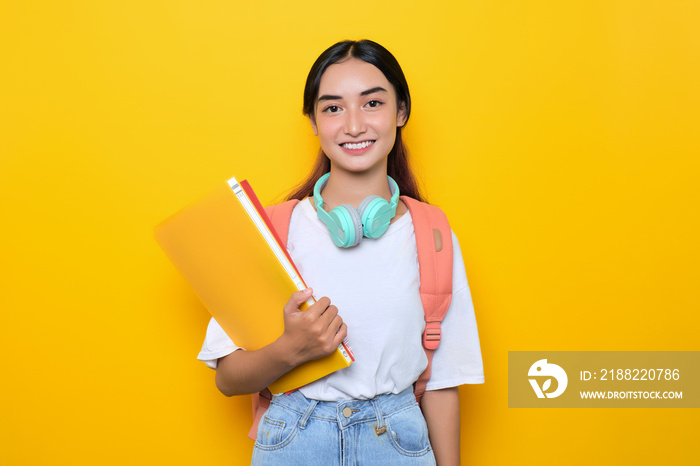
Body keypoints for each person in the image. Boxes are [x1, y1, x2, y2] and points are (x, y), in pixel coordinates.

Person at [197, 39, 484, 465]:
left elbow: (443, 384)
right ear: (313, 121)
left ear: (401, 111)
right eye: (332, 108)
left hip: (398, 440)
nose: (353, 125)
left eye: (372, 103)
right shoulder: (274, 231)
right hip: (294, 439)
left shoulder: (433, 235)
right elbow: (228, 379)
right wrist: (290, 350)